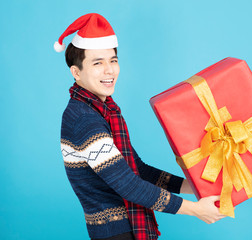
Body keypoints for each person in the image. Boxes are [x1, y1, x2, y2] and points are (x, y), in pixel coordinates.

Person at [57, 13, 226, 240]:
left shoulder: (105, 111)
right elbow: (128, 185)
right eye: (98, 63)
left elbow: (139, 170)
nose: (109, 70)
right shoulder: (84, 119)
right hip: (116, 234)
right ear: (76, 72)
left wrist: (197, 187)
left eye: (113, 60)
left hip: (127, 229)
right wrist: (195, 209)